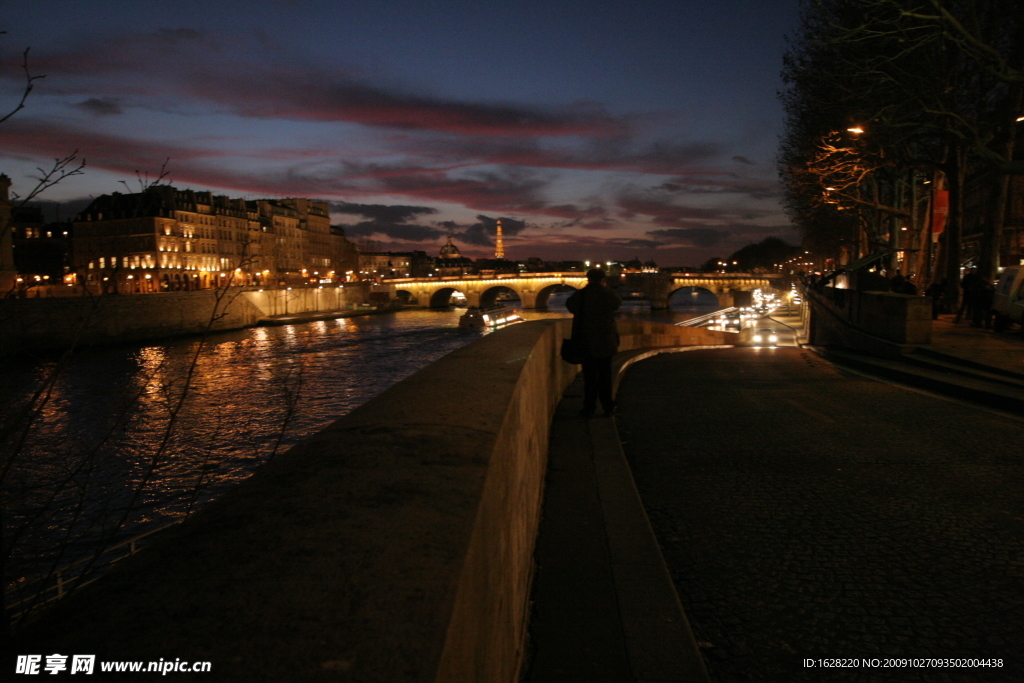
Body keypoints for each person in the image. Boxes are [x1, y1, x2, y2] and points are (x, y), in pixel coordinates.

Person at [566, 268, 622, 418]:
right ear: (603, 279)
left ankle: (589, 408)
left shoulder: (581, 295)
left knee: (589, 377)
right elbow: (617, 304)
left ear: (588, 279)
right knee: (605, 376)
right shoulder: (608, 294)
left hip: (585, 342)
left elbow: (570, 306)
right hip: (605, 341)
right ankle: (607, 407)